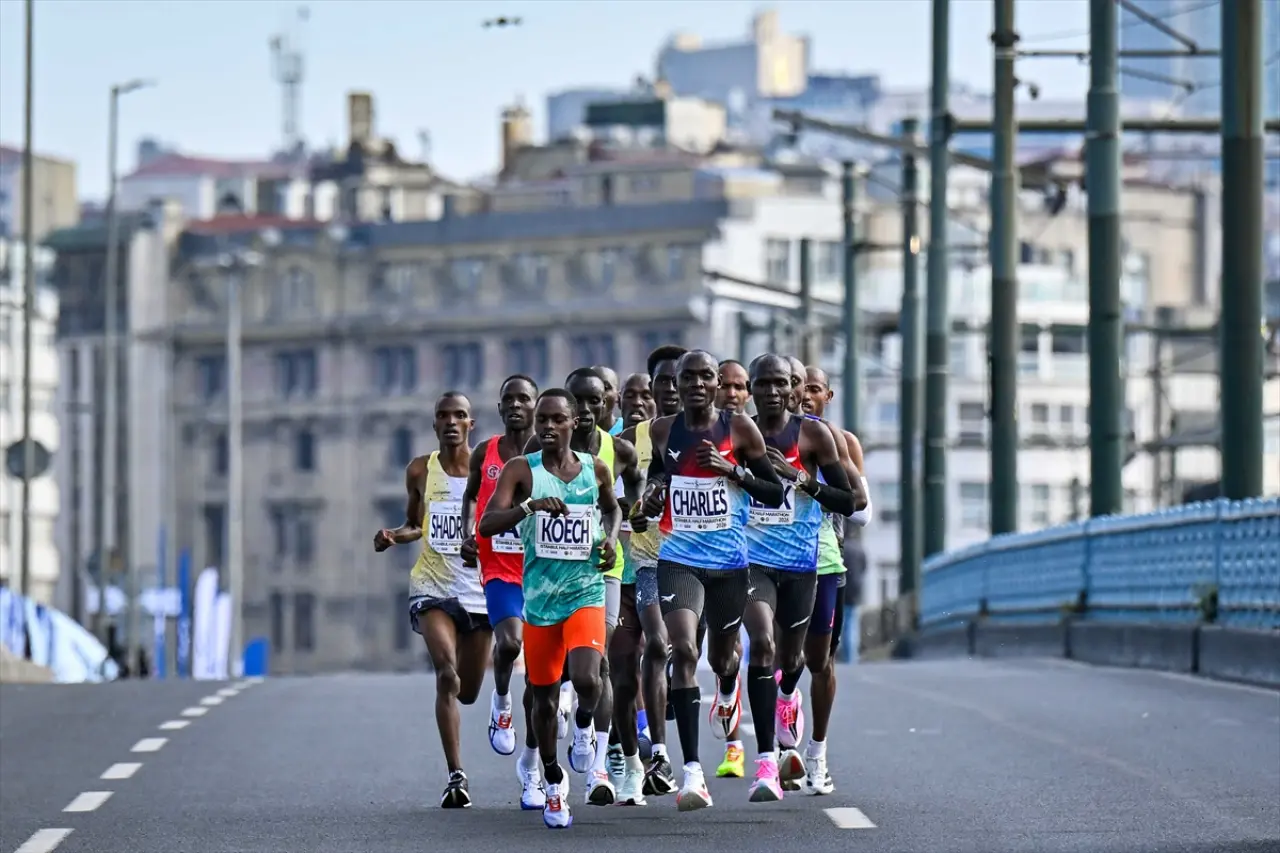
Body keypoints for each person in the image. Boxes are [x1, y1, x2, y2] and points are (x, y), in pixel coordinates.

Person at [638, 349, 787, 811]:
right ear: (676, 384)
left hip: (730, 566)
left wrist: (732, 470)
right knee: (683, 650)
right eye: (689, 377)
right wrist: (653, 493)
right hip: (678, 560)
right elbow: (658, 473)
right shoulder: (662, 430)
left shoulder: (739, 429)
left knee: (725, 659)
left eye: (706, 376)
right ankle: (692, 774)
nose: (697, 384)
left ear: (718, 384)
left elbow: (774, 490)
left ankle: (740, 712)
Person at [479, 389, 622, 829]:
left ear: (574, 422)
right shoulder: (522, 470)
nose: (547, 427)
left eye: (557, 419)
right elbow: (486, 524)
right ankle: (554, 782)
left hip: (585, 590)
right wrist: (528, 507)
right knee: (542, 699)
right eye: (542, 419)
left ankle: (584, 724)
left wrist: (611, 539)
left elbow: (612, 509)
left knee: (587, 677)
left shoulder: (595, 468)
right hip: (540, 601)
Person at [738, 355, 857, 802]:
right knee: (762, 644)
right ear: (750, 388)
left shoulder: (815, 435)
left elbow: (849, 501)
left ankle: (795, 711)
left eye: (782, 383)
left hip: (806, 565)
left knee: (803, 660)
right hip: (752, 563)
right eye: (763, 383)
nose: (773, 392)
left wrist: (802, 480)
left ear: (795, 388)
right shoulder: (737, 433)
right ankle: (766, 763)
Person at [526, 367, 642, 806]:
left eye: (597, 400)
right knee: (551, 680)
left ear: (607, 403)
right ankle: (545, 755)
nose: (591, 409)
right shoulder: (537, 451)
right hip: (546, 579)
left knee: (597, 665)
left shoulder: (617, 451)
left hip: (599, 572)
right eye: (581, 401)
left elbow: (624, 499)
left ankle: (596, 759)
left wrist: (620, 528)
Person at [374, 392, 490, 809]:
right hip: (432, 587)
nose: (451, 422)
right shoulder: (420, 469)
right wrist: (393, 536)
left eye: (460, 415)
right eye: (443, 415)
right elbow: (414, 524)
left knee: (468, 691)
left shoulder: (489, 470)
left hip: (479, 592)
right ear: (435, 424)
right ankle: (456, 775)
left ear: (471, 424)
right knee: (446, 673)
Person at [459, 374, 549, 810]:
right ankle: (500, 702)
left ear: (536, 406)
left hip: (541, 571)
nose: (515, 405)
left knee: (542, 679)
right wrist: (468, 534)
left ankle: (532, 762)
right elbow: (470, 497)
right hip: (499, 568)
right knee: (509, 644)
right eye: (508, 399)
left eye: (523, 399)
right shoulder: (486, 452)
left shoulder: (547, 456)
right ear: (499, 409)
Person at [796, 364, 873, 795]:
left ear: (828, 396)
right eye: (799, 387)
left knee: (820, 661)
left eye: (814, 389)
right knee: (777, 653)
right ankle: (782, 726)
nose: (805, 396)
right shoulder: (765, 435)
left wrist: (816, 489)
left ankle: (817, 753)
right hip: (774, 560)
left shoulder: (841, 441)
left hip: (827, 556)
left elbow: (862, 511)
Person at [622, 345, 687, 799]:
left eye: (677, 381)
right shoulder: (630, 440)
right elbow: (608, 497)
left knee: (689, 651)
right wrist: (635, 508)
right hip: (646, 561)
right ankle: (659, 753)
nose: (670, 389)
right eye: (662, 381)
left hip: (700, 563)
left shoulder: (712, 434)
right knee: (657, 645)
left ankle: (712, 690)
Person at [711, 357, 751, 779]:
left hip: (762, 558)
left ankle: (742, 748)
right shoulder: (700, 433)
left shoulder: (757, 434)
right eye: (725, 385)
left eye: (740, 386)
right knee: (716, 651)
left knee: (764, 647)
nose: (732, 393)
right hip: (710, 554)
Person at [593, 365, 625, 436]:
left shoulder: (627, 430)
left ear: (618, 396)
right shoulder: (572, 431)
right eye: (593, 388)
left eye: (606, 388)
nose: (599, 394)